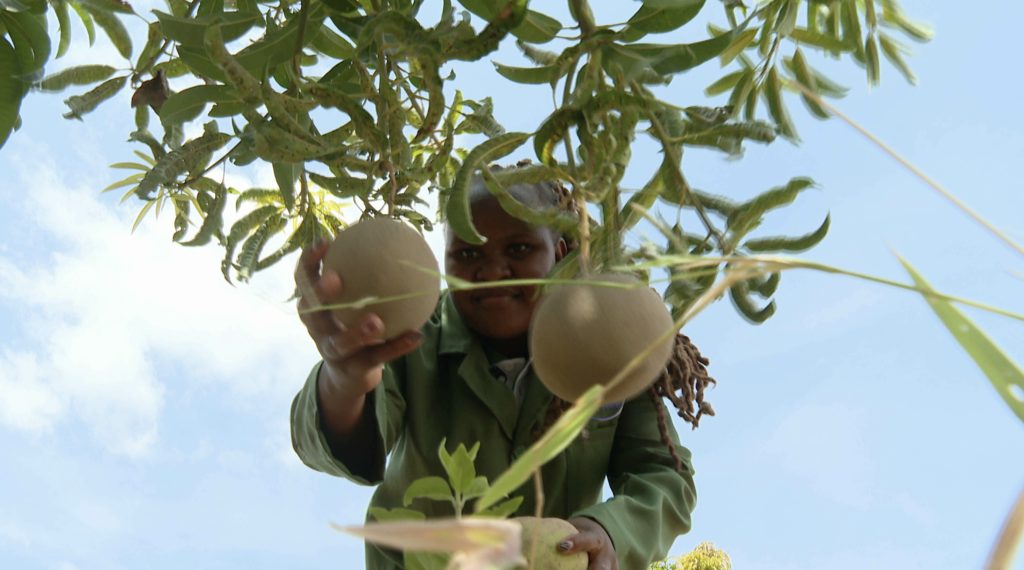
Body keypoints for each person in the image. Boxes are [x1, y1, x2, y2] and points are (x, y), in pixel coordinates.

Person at [290, 170, 716, 570]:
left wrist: (610, 532)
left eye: (519, 249)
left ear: (560, 254)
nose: (493, 270)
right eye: (468, 253)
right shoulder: (411, 337)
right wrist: (344, 382)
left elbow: (664, 476)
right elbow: (339, 443)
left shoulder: (609, 340)